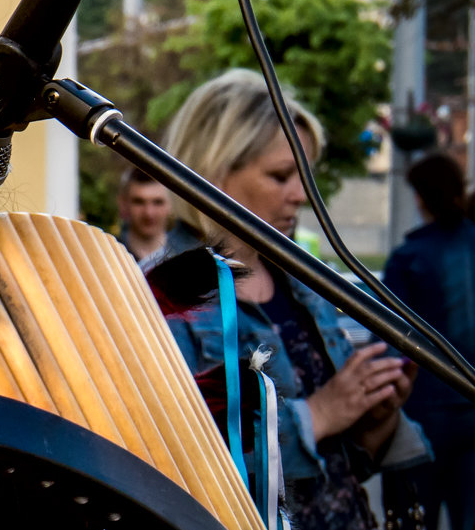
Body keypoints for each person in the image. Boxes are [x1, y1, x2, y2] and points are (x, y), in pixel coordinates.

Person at [162, 69, 429, 530]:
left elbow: (341, 466)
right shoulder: (164, 298)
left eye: (304, 174)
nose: (300, 195)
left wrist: (373, 416)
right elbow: (181, 462)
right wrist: (319, 414)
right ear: (212, 169)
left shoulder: (302, 284)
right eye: (281, 175)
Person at [384, 153, 475, 530]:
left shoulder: (408, 259)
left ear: (420, 198)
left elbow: (391, 341)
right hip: (471, 409)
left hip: (421, 412)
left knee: (413, 520)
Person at [116, 167, 172, 266]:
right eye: (139, 202)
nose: (148, 213)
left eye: (158, 202)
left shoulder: (188, 261)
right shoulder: (109, 257)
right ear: (123, 203)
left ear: (171, 205)